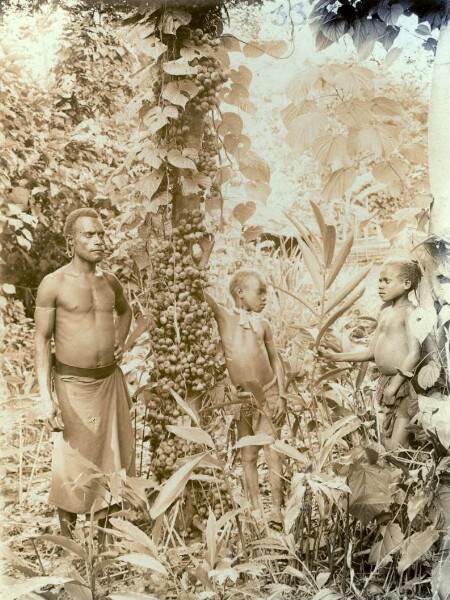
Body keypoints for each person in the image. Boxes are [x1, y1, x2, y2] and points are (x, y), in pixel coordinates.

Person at [34, 207, 134, 538]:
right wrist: (46, 399)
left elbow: (127, 311)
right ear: (70, 241)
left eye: (101, 233)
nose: (98, 240)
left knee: (108, 460)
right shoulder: (54, 284)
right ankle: (67, 542)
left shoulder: (110, 283)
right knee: (71, 463)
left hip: (108, 383)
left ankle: (100, 541)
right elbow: (41, 340)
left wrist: (122, 340)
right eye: (88, 235)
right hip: (70, 384)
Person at [195, 237, 286, 528]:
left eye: (267, 293)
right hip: (243, 398)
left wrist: (282, 394)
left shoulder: (264, 324)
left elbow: (276, 361)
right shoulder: (225, 317)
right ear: (239, 292)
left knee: (272, 451)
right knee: (248, 452)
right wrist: (205, 253)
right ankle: (256, 510)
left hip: (269, 393)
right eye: (260, 292)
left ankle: (278, 511)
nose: (265, 298)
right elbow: (198, 287)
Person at [322, 258, 422, 450]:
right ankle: (404, 477)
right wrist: (334, 357)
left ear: (406, 284)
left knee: (396, 446)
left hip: (403, 384)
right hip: (385, 383)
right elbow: (370, 353)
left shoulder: (410, 312)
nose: (380, 286)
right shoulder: (385, 312)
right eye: (379, 281)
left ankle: (411, 476)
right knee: (388, 442)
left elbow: (414, 354)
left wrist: (394, 386)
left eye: (386, 281)